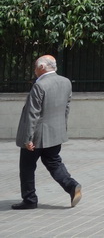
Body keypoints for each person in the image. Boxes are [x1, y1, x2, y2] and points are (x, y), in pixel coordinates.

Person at [13, 55, 82, 210]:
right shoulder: (65, 82)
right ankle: (72, 186)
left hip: (36, 135)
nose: (34, 71)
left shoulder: (40, 85)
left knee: (27, 168)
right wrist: (62, 129)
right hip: (55, 133)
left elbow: (33, 113)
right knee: (54, 162)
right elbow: (66, 108)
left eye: (36, 67)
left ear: (42, 67)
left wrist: (28, 138)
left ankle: (30, 199)